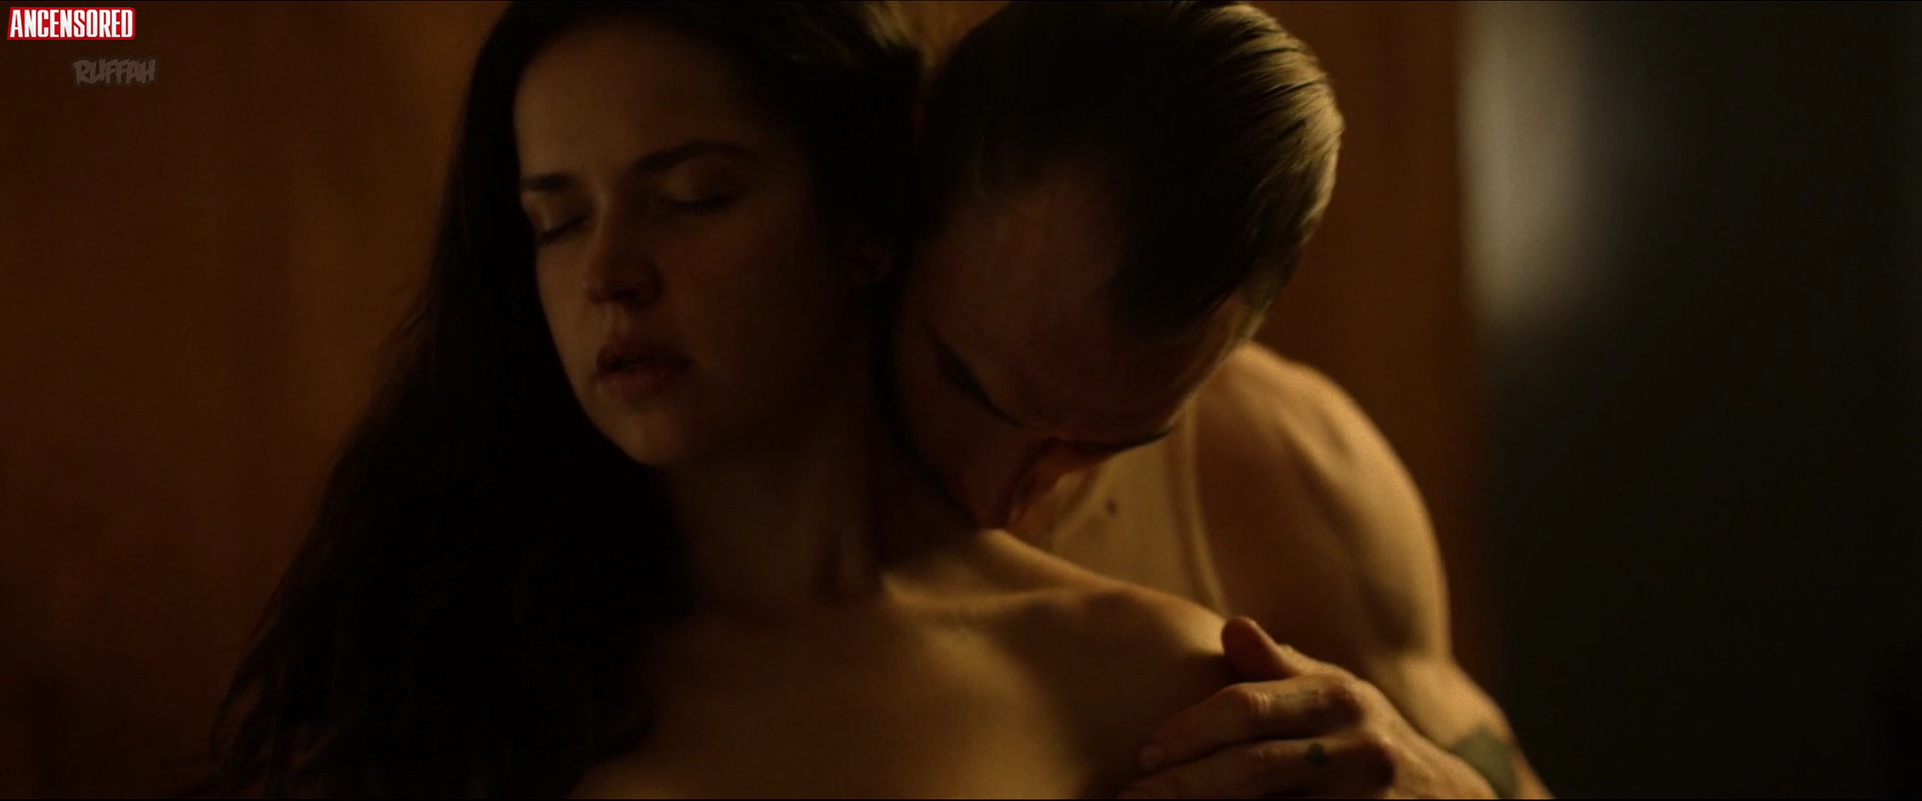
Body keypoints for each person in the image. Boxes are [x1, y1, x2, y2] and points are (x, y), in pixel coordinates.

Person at [209, 1, 1242, 797]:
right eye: (558, 222)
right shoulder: (446, 669)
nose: (607, 273)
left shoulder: (1144, 683)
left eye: (692, 197)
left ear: (860, 216)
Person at [887, 2, 1554, 797]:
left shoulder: (1293, 479)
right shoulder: (767, 400)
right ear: (906, 181)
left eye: (1105, 443)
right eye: (966, 383)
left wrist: (1436, 785)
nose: (994, 499)